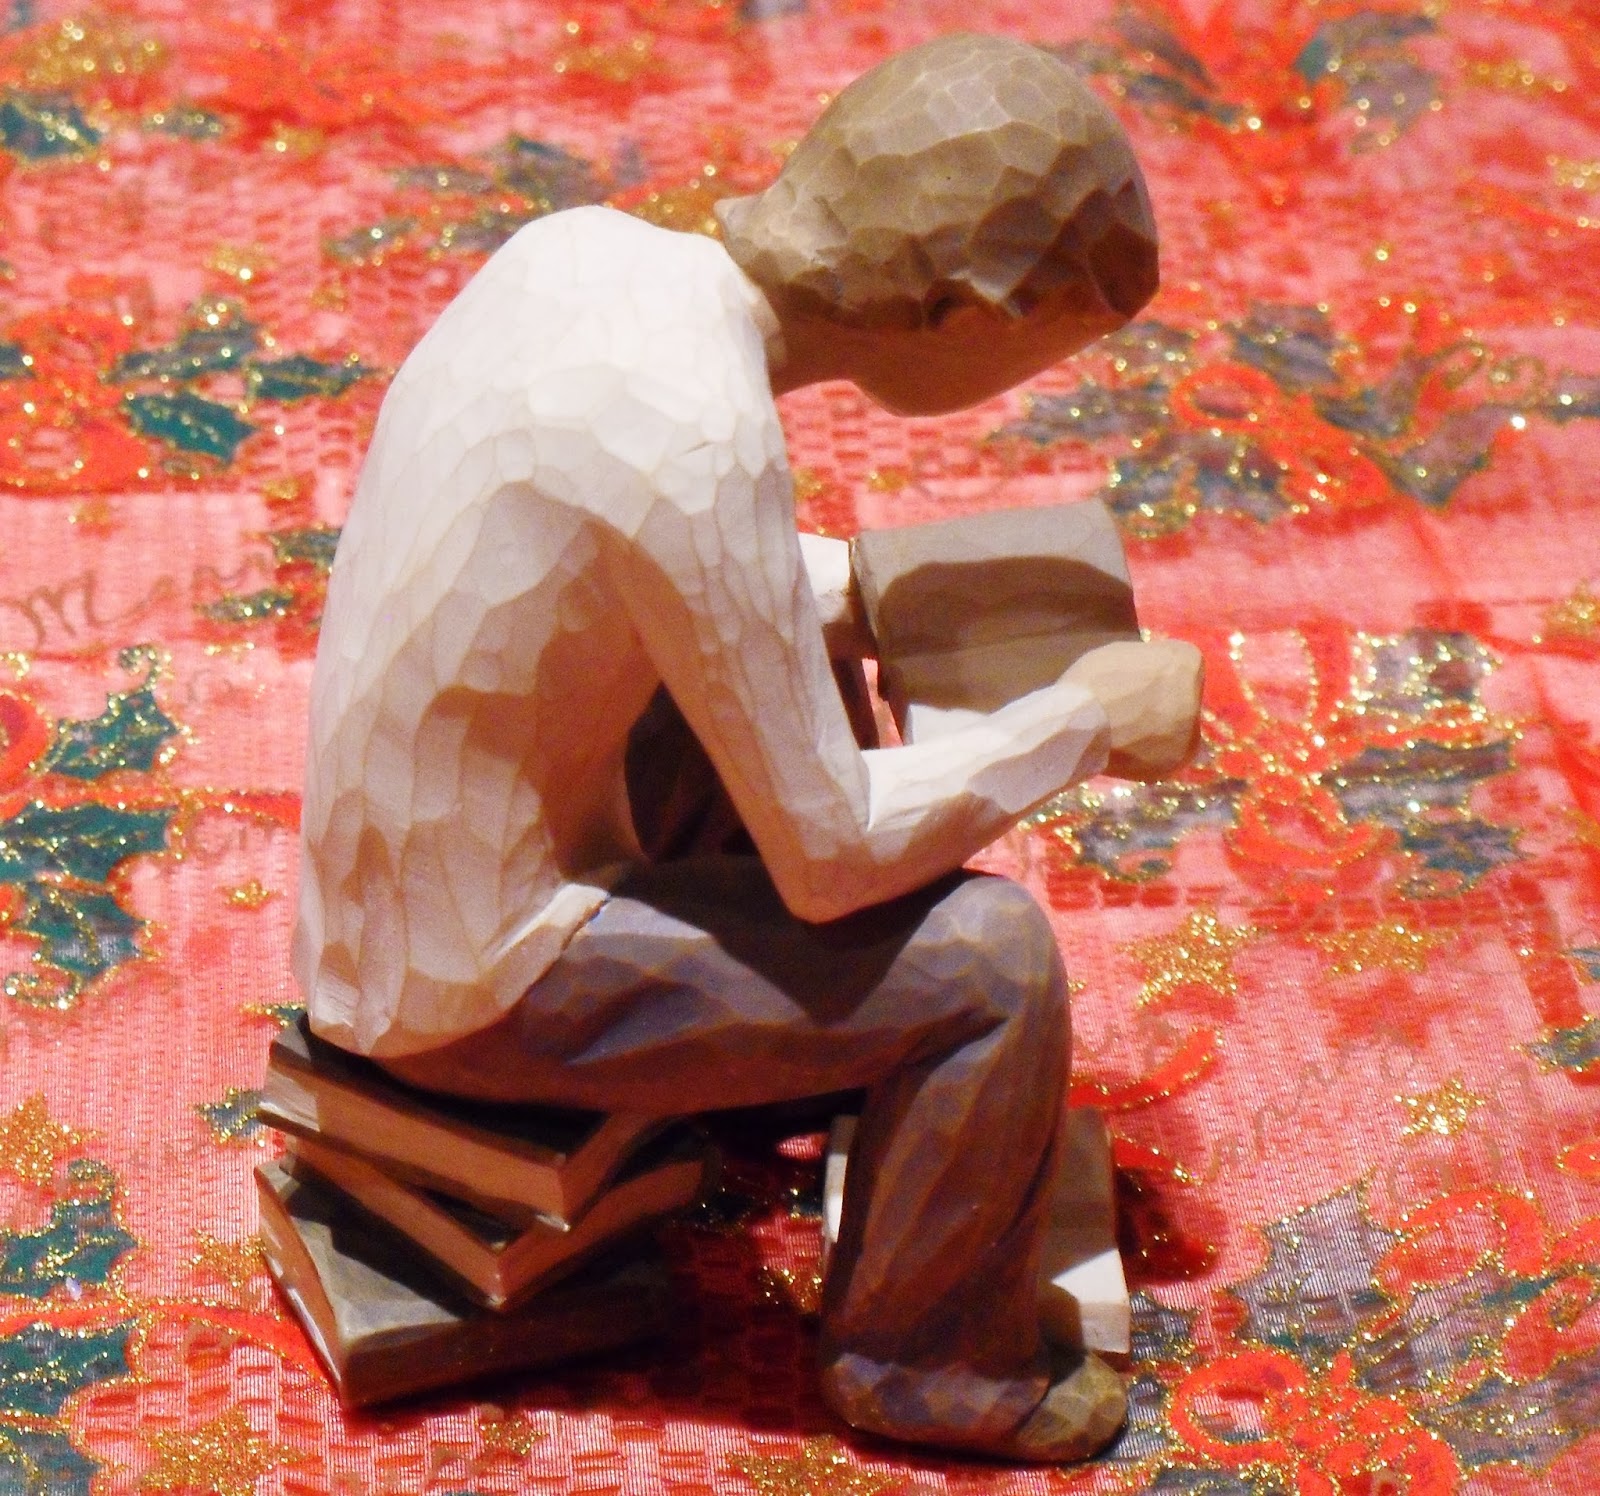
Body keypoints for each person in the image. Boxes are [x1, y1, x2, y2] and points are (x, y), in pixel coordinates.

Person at [293, 33, 1200, 1461]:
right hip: (465, 985)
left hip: (407, 900)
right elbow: (833, 854)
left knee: (801, 688)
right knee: (993, 965)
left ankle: (775, 1081)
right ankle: (925, 1360)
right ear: (965, 311)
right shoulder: (702, 431)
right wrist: (1082, 719)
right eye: (1044, 350)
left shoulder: (582, 255)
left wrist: (884, 599)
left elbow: (666, 575)